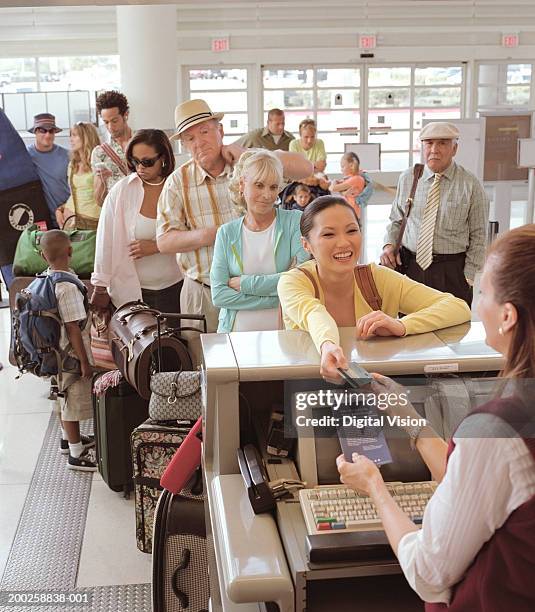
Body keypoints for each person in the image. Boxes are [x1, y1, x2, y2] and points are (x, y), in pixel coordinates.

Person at [337, 224, 535, 611]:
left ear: (508, 316)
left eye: (483, 293)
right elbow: (486, 486)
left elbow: (427, 572)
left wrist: (375, 488)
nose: (477, 305)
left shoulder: (496, 430)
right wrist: (409, 416)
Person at [157, 99, 313, 333]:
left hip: (268, 287)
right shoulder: (177, 183)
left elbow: (306, 168)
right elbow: (164, 241)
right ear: (184, 145)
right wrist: (214, 234)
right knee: (206, 364)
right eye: (190, 138)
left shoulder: (249, 164)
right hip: (203, 292)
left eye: (204, 131)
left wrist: (249, 153)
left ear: (220, 130)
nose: (199, 142)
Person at [278, 196, 471, 379]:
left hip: (376, 388)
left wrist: (402, 326)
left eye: (352, 231)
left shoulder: (376, 277)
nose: (344, 242)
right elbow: (314, 314)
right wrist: (328, 345)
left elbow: (457, 307)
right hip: (309, 388)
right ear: (306, 245)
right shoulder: (293, 282)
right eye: (329, 234)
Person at [381, 121, 489, 306]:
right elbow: (396, 220)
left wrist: (468, 277)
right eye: (429, 143)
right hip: (411, 268)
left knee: (450, 330)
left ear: (454, 149)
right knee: (408, 327)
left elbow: (478, 234)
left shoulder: (470, 184)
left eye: (442, 143)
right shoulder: (408, 178)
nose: (434, 149)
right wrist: (389, 246)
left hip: (452, 272)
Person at [210, 150, 308, 332]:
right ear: (242, 184)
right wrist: (279, 294)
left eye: (273, 187)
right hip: (235, 337)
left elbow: (302, 278)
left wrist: (246, 284)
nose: (267, 195)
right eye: (259, 185)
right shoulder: (226, 233)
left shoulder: (294, 221)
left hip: (285, 337)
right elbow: (219, 296)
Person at [91, 129, 181, 313]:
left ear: (163, 158)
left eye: (147, 162)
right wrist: (100, 285)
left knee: (178, 342)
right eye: (134, 161)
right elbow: (105, 239)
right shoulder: (122, 191)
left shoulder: (179, 188)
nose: (140, 167)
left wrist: (157, 246)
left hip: (177, 288)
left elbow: (193, 235)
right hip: (131, 293)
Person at [40, 230, 96, 471]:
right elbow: (73, 328)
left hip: (52, 353)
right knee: (70, 403)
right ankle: (76, 453)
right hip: (69, 356)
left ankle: (66, 439)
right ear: (71, 251)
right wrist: (84, 361)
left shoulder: (45, 278)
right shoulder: (68, 286)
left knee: (59, 396)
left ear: (44, 256)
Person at [56, 122, 101, 230]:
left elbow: (104, 196)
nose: (71, 139)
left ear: (86, 137)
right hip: (70, 220)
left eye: (75, 135)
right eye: (70, 135)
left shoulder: (99, 162)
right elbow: (74, 194)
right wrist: (60, 209)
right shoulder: (73, 164)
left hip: (92, 221)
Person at [27, 113, 70, 227]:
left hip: (64, 216)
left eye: (51, 131)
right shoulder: (26, 156)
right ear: (35, 132)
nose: (47, 135)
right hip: (39, 220)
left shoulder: (67, 155)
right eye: (42, 130)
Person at [91, 90, 132, 206]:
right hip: (115, 213)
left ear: (126, 115)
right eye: (106, 122)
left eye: (114, 121)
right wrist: (101, 181)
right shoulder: (99, 152)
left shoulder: (143, 144)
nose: (110, 127)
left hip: (143, 211)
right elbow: (99, 201)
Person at [329, 152, 373, 218]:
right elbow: (339, 191)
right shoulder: (351, 178)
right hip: (348, 211)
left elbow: (332, 188)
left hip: (351, 212)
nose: (341, 170)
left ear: (351, 165)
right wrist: (344, 193)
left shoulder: (356, 179)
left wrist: (334, 181)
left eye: (343, 166)